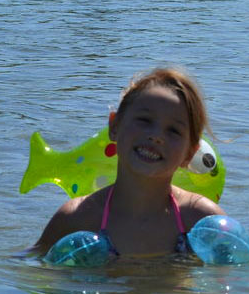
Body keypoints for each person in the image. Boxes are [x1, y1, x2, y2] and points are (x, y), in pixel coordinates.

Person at [33, 68, 226, 259]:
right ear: (114, 126)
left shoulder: (200, 220)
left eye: (174, 130)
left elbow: (230, 278)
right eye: (144, 120)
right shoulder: (77, 217)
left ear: (189, 154)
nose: (156, 136)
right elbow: (35, 269)